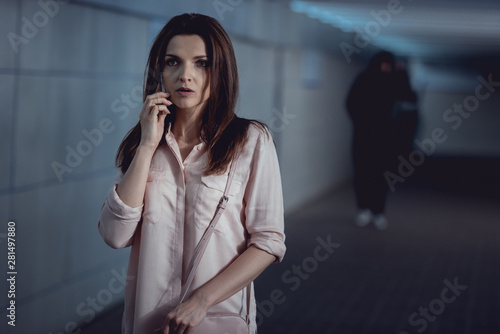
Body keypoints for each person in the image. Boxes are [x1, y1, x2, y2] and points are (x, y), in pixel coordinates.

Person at [98, 13, 286, 334]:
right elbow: (115, 235)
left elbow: (268, 241)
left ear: (221, 70)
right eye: (173, 62)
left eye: (201, 63)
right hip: (149, 324)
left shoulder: (251, 140)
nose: (186, 75)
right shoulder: (142, 143)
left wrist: (202, 300)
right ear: (160, 70)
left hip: (217, 321)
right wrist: (146, 145)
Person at [346, 51, 416, 230]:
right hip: (363, 136)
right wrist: (362, 122)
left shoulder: (393, 80)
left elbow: (409, 96)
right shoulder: (364, 79)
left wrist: (403, 74)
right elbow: (350, 103)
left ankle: (378, 211)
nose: (386, 68)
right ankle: (364, 209)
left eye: (389, 65)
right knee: (362, 173)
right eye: (384, 65)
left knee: (381, 175)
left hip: (383, 137)